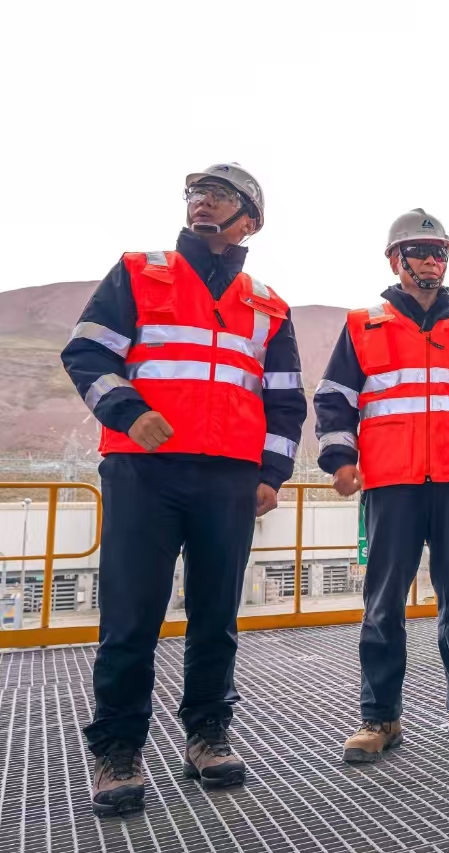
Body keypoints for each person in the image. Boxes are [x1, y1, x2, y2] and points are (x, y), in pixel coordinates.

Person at [62, 164, 305, 816]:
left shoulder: (268, 304)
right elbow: (86, 353)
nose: (203, 204)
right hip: (145, 470)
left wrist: (270, 475)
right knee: (131, 616)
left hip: (228, 478)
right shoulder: (140, 271)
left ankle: (207, 733)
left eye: (220, 196)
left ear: (248, 218)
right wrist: (129, 412)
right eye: (196, 194)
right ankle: (117, 749)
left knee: (216, 618)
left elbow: (286, 403)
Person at [314, 210, 449, 763]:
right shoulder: (364, 326)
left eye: (440, 252)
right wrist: (340, 458)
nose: (433, 261)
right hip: (392, 483)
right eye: (422, 252)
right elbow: (335, 398)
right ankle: (379, 717)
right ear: (396, 260)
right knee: (383, 604)